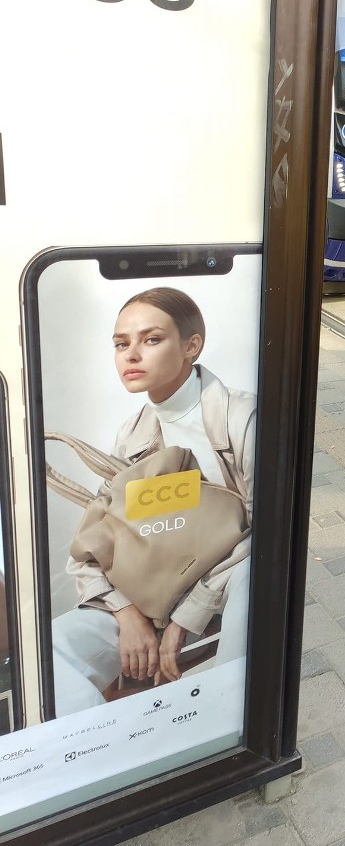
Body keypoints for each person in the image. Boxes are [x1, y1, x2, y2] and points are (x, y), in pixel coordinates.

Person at [51, 287, 255, 715]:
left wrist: (188, 615)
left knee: (259, 573)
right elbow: (115, 535)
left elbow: (270, 529)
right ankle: (108, 758)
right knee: (54, 650)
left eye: (151, 339)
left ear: (191, 345)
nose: (131, 355)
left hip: (226, 584)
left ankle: (229, 724)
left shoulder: (242, 417)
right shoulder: (131, 435)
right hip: (155, 591)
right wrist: (128, 615)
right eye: (121, 344)